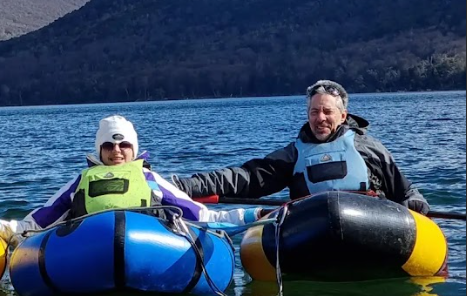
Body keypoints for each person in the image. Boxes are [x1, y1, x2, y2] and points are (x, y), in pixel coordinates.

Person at [0, 115, 262, 243]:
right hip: (88, 250)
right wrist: (1, 227)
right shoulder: (82, 181)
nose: (116, 151)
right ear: (99, 150)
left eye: (123, 145)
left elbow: (203, 216)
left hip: (149, 246)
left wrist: (252, 215)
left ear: (134, 149)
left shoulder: (149, 178)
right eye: (108, 146)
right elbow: (38, 221)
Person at [171, 80, 430, 214]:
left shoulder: (369, 148)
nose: (320, 118)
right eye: (314, 111)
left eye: (327, 112)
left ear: (342, 116)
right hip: (313, 229)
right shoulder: (294, 154)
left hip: (373, 224)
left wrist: (416, 202)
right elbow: (246, 179)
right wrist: (183, 186)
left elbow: (404, 190)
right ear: (307, 114)